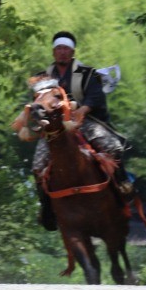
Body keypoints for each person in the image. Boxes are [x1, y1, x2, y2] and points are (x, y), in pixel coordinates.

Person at [26, 31, 131, 229]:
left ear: (72, 52)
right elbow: (36, 101)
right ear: (53, 52)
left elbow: (96, 96)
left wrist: (83, 109)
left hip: (84, 120)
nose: (62, 52)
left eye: (66, 49)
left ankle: (122, 183)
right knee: (38, 166)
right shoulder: (43, 77)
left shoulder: (87, 73)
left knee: (113, 146)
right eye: (58, 48)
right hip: (54, 126)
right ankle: (46, 208)